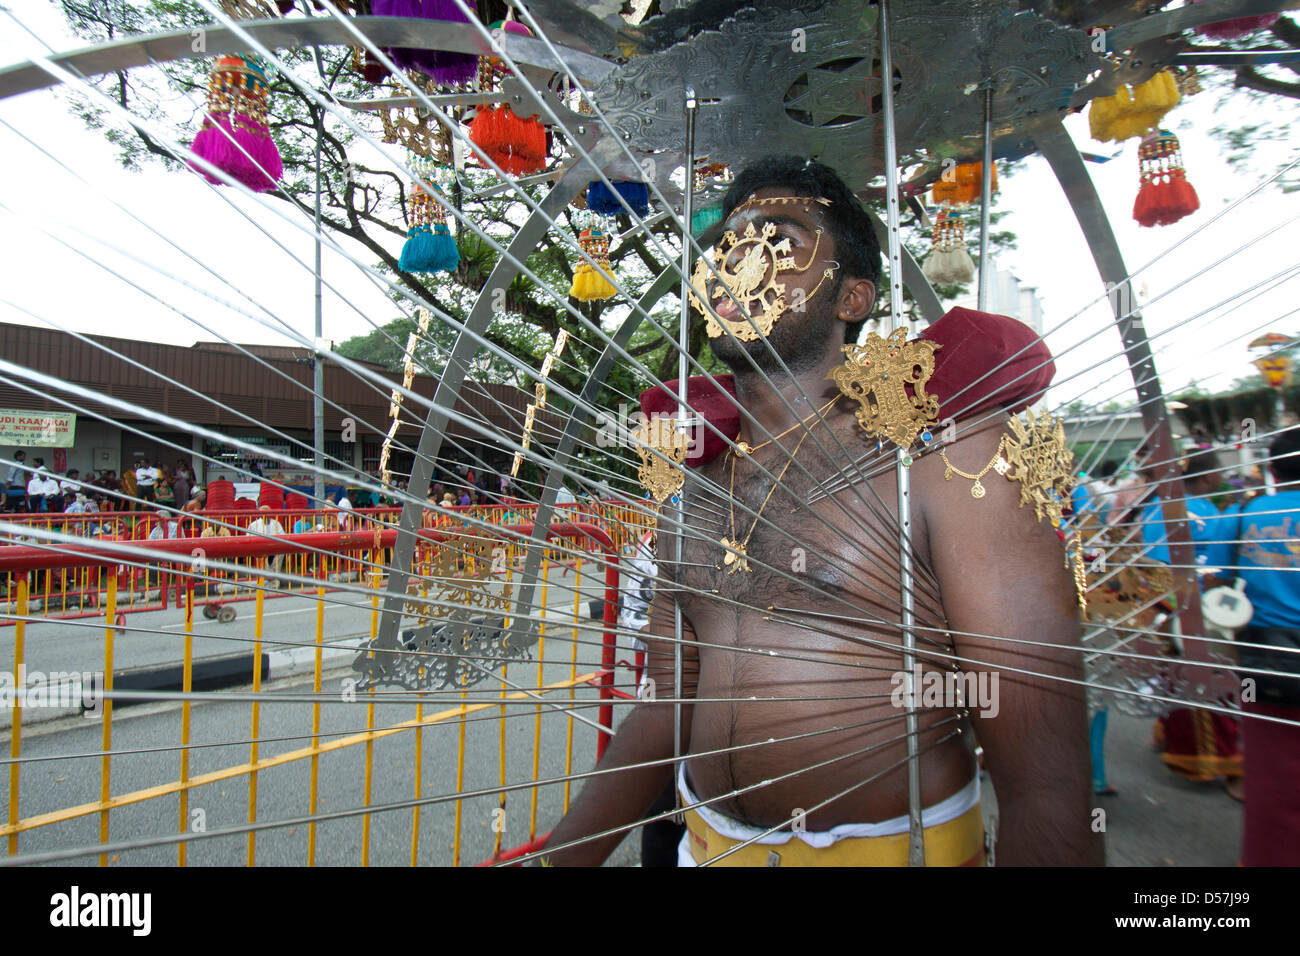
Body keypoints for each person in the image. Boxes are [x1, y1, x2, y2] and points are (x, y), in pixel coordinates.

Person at [541, 156, 1097, 866]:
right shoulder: (696, 480)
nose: (739, 264)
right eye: (726, 247)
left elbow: (1046, 786)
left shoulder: (948, 459)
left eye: (780, 242)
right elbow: (667, 706)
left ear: (853, 298)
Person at [1203, 427, 1300, 865]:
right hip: (1271, 661)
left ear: (1273, 470)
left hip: (1266, 664)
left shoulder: (1242, 515)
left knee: (1273, 781)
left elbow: (1213, 582)